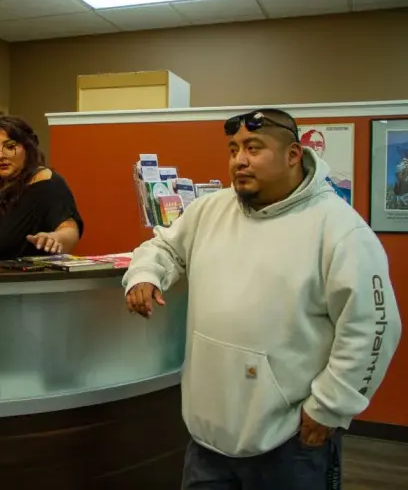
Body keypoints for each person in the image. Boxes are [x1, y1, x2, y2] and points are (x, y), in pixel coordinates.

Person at [123, 108, 401, 489]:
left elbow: (372, 329)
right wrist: (145, 274)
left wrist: (330, 407)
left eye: (254, 148)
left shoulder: (340, 230)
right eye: (234, 148)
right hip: (207, 443)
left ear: (293, 155)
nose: (239, 159)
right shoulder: (210, 210)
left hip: (289, 444)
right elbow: (164, 248)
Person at [0, 115, 83, 261]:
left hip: (21, 281)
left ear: (27, 148)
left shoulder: (47, 182)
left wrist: (55, 238)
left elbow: (70, 228)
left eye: (10, 147)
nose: (0, 155)